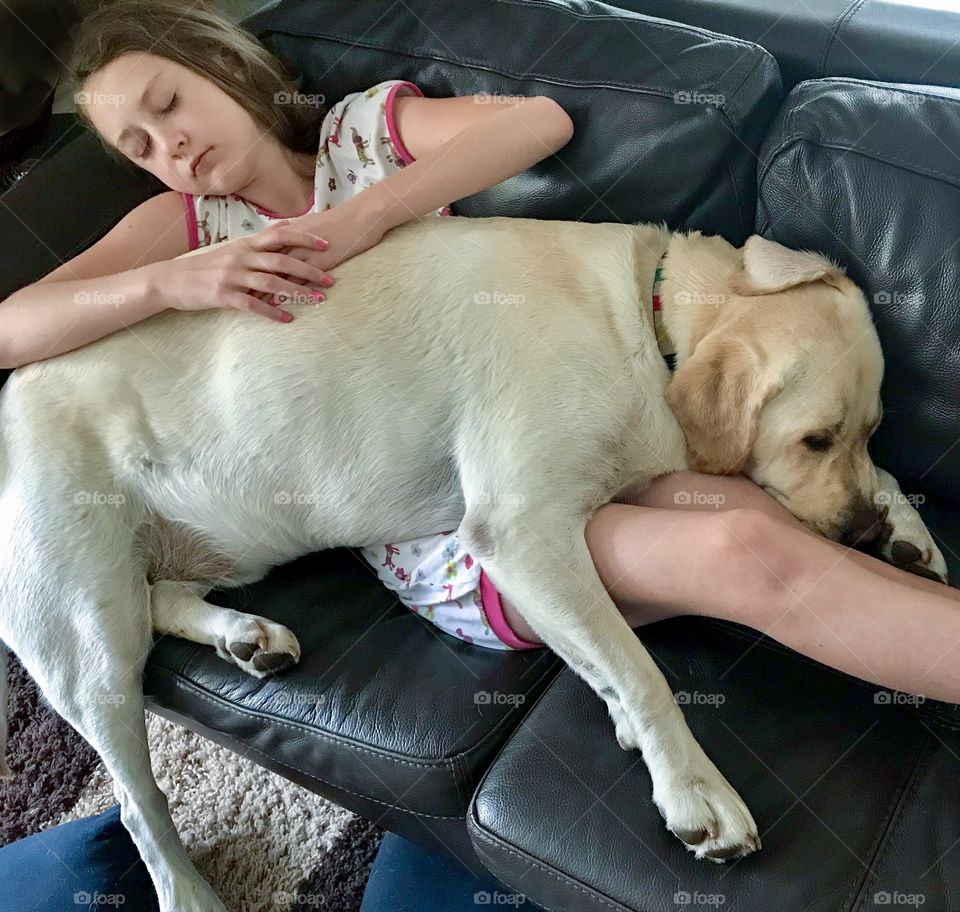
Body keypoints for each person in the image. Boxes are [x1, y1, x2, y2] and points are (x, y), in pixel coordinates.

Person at [3, 0, 960, 717]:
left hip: (561, 419)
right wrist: (167, 285)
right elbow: (12, 328)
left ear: (221, 65)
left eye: (171, 103)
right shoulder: (185, 227)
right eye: (139, 143)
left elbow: (536, 124)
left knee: (758, 505)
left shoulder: (363, 137)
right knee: (743, 546)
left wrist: (360, 218)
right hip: (449, 525)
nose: (170, 144)